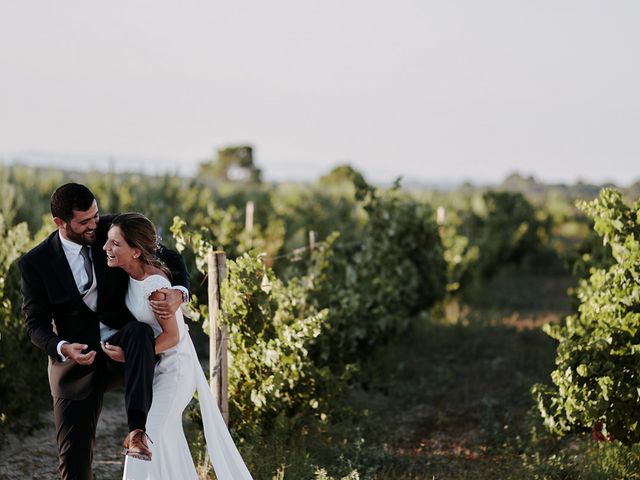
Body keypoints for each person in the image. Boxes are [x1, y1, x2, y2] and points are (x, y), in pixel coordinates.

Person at [19, 183, 190, 480]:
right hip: (75, 361)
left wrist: (180, 291)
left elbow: (170, 257)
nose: (93, 225)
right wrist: (61, 347)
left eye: (95, 215)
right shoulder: (35, 263)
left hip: (122, 346)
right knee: (73, 464)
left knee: (138, 332)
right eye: (84, 222)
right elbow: (35, 324)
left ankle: (136, 431)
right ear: (60, 222)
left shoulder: (112, 230)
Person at [102, 213, 252, 480]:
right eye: (108, 241)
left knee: (143, 440)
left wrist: (132, 356)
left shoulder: (156, 286)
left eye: (115, 244)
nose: (106, 247)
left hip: (175, 372)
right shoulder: (129, 275)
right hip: (156, 369)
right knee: (166, 445)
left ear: (136, 252)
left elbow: (172, 337)